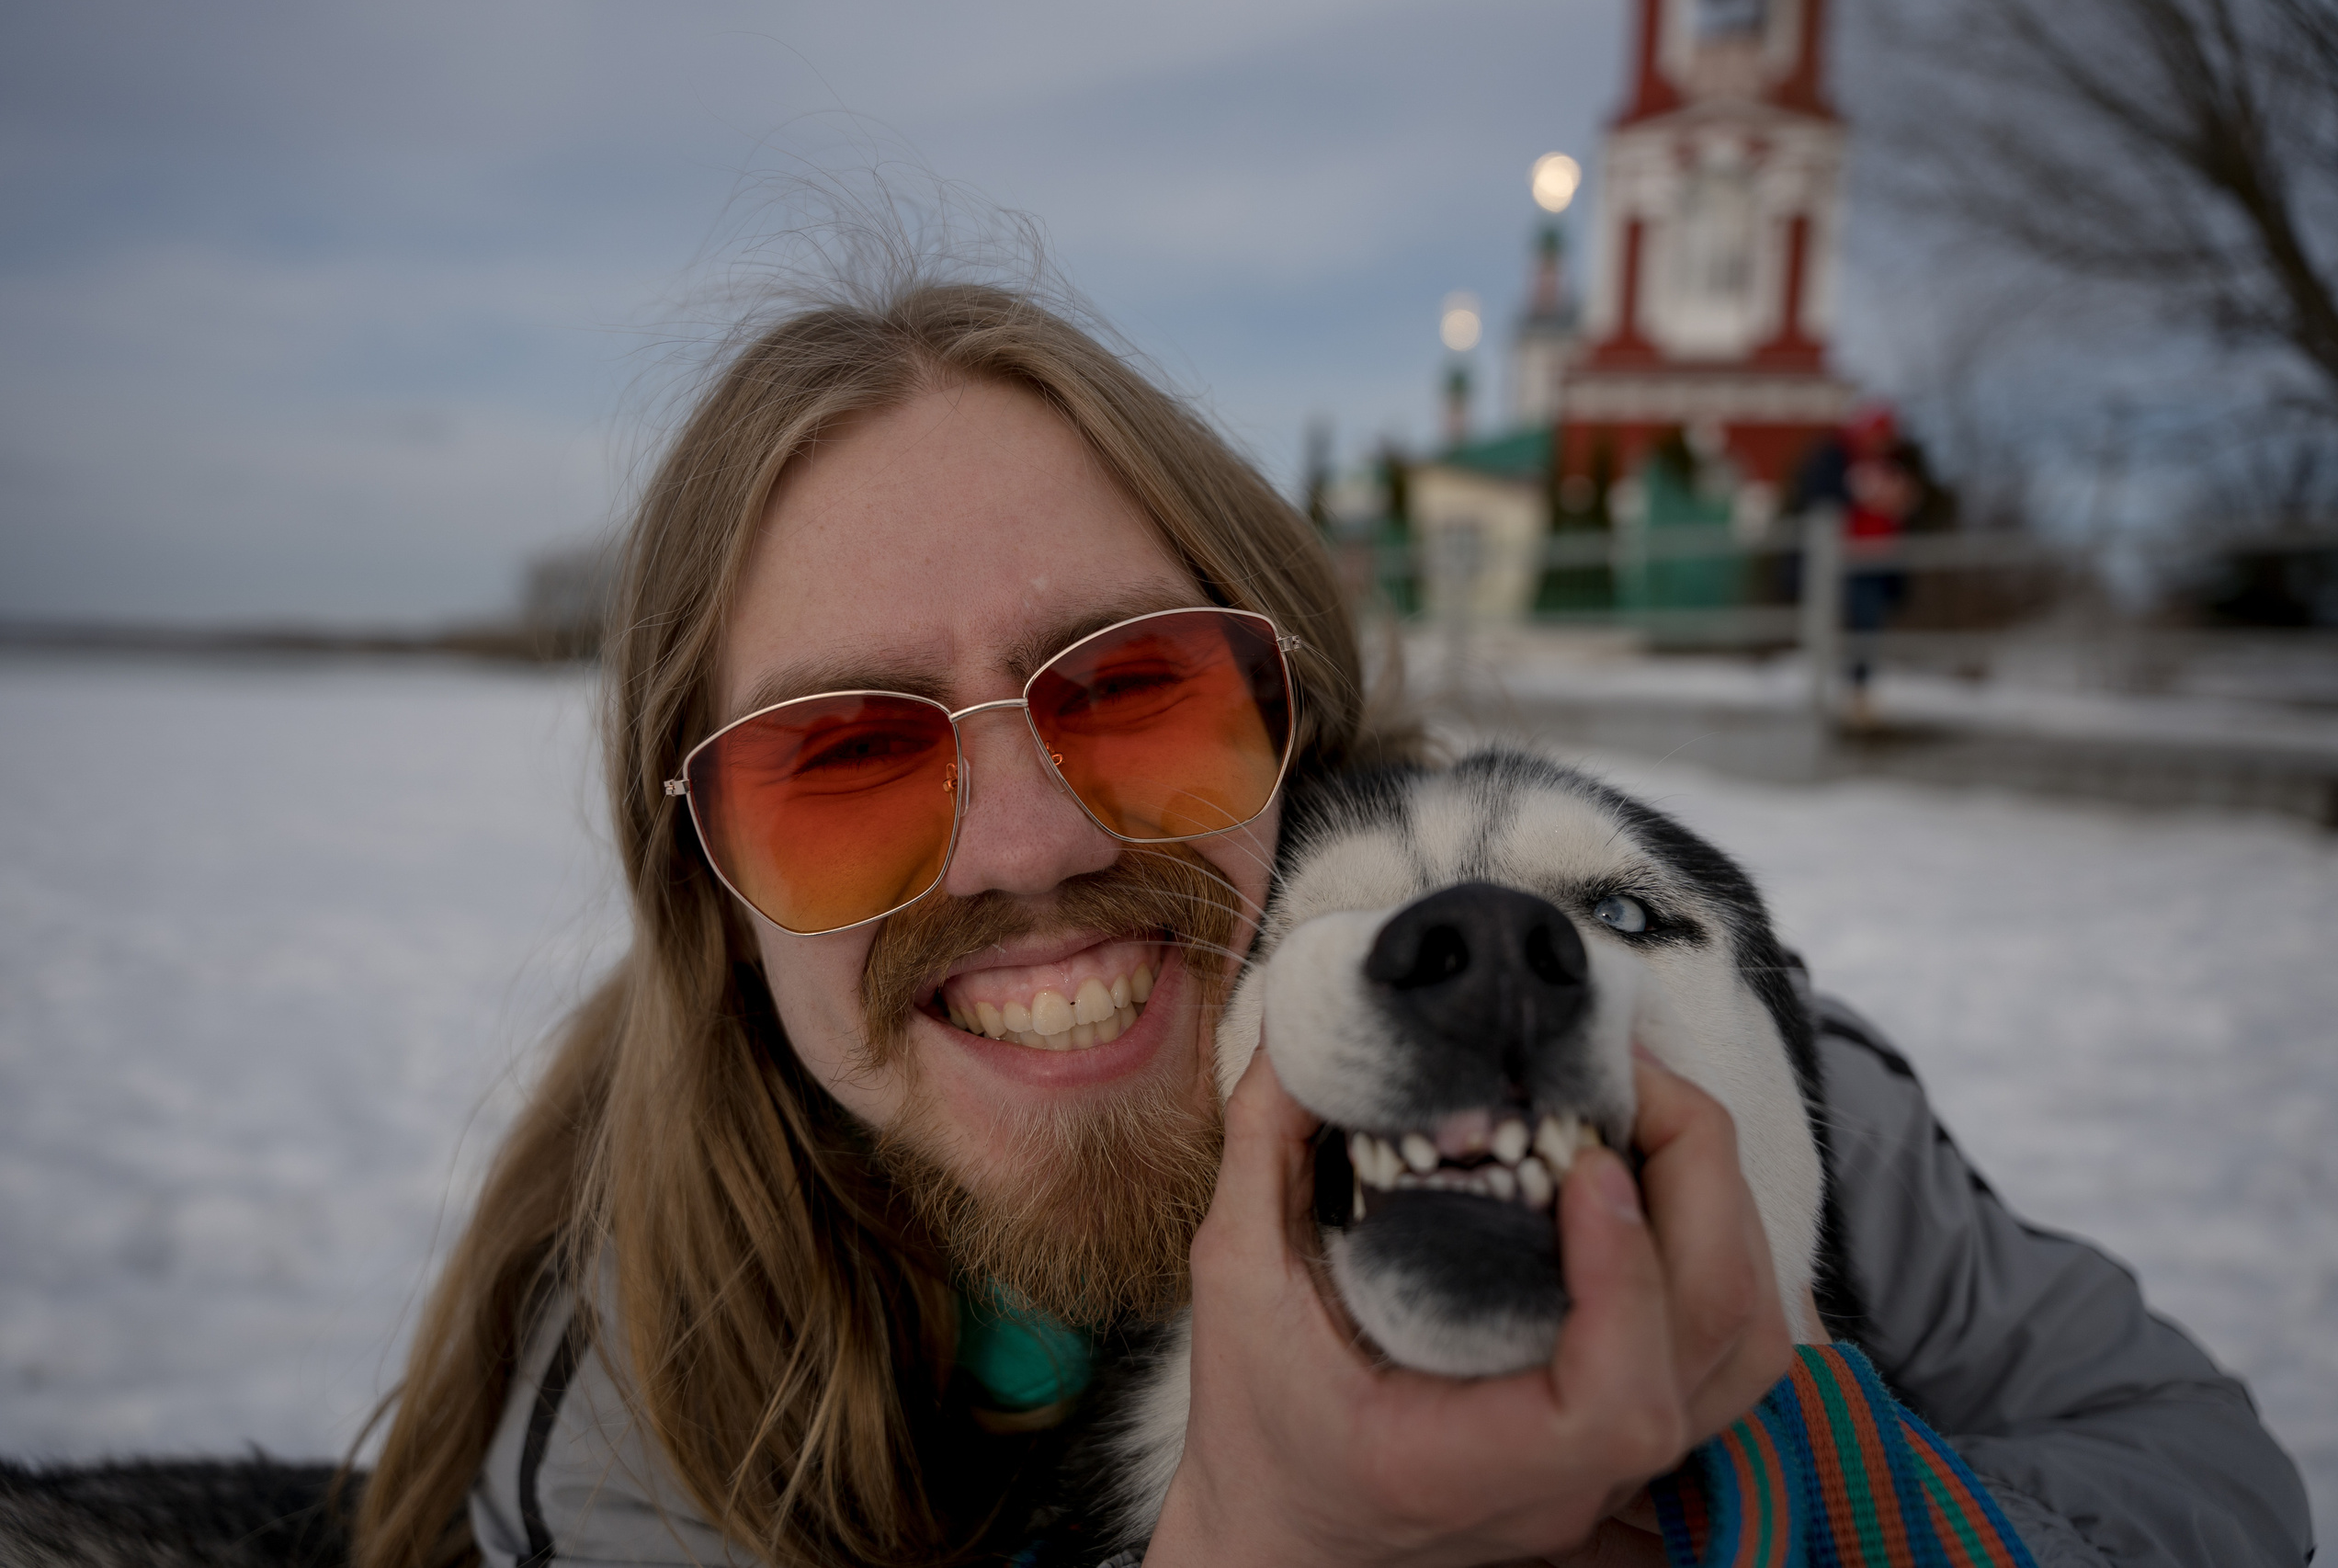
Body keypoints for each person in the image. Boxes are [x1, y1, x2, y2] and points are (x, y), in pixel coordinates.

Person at [355, 278, 2311, 1568]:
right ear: (708, 889)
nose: (1023, 845)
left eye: (1127, 685)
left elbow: (2208, 1476)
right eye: (842, 762)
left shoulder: (1623, 1018)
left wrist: (1787, 1488)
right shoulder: (659, 1357)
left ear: (1288, 716)